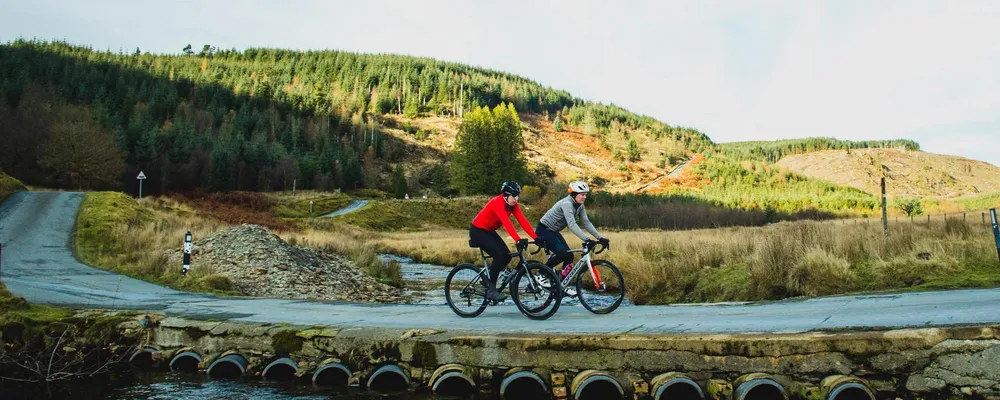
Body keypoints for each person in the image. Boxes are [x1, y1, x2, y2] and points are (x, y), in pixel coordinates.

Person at [469, 181, 538, 302]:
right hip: (478, 231)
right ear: (505, 195)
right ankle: (491, 289)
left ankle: (488, 280)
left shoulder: (513, 205)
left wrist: (536, 238)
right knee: (499, 255)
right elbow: (507, 223)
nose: (516, 198)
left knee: (506, 256)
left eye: (518, 195)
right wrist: (517, 240)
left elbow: (523, 221)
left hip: (489, 230)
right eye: (514, 195)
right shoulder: (497, 202)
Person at [535, 181, 609, 294]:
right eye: (582, 194)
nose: (585, 197)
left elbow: (586, 222)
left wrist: (600, 238)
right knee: (562, 253)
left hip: (554, 231)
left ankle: (562, 285)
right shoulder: (567, 203)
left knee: (569, 255)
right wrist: (587, 239)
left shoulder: (580, 206)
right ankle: (540, 274)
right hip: (543, 230)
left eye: (585, 194)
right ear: (574, 194)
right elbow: (572, 224)